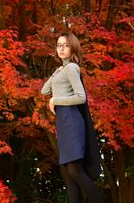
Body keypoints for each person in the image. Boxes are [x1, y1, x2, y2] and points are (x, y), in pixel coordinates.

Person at [41, 32, 102, 203]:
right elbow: (44, 90)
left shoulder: (72, 68)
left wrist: (55, 100)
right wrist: (57, 70)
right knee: (69, 174)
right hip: (64, 123)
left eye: (65, 45)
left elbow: (80, 97)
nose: (61, 48)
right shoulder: (62, 69)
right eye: (59, 45)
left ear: (73, 47)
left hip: (73, 122)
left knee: (75, 171)